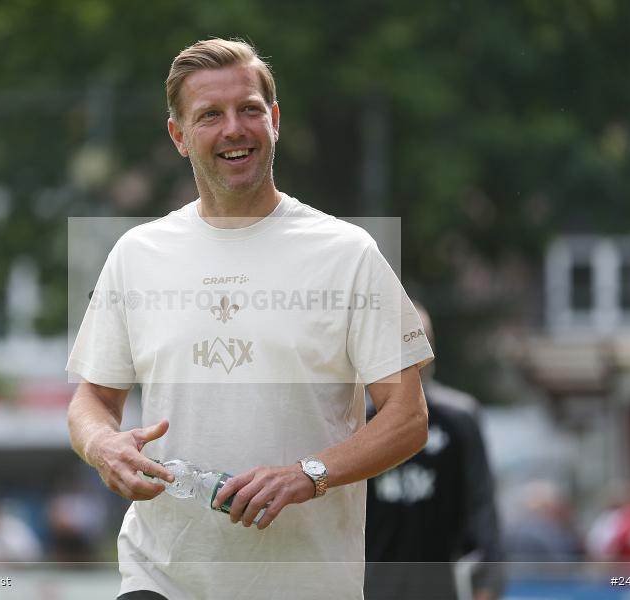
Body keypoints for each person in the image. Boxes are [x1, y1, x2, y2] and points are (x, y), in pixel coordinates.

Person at [66, 38, 433, 600]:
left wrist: (308, 474)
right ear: (179, 137)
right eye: (209, 115)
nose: (233, 128)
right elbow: (92, 401)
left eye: (249, 110)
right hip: (163, 578)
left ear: (275, 120)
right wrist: (103, 446)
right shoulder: (136, 254)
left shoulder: (347, 252)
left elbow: (406, 417)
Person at [365, 303, 505, 600]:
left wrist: (489, 580)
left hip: (440, 579)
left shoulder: (459, 418)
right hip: (371, 580)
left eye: (419, 344)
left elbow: (482, 501)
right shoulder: (359, 420)